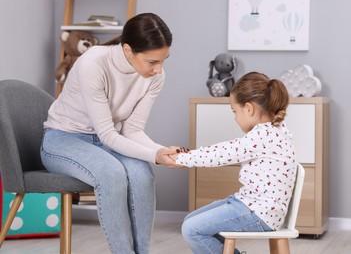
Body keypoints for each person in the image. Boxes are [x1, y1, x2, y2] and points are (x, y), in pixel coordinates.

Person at [40, 13, 181, 254]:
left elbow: (132, 130)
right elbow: (107, 134)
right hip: (63, 139)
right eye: (152, 62)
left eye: (164, 60)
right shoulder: (93, 63)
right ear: (128, 50)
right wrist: (154, 154)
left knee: (142, 174)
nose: (159, 69)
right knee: (111, 173)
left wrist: (158, 151)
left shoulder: (155, 77)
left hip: (106, 142)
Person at [172, 72, 297, 254]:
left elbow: (222, 153)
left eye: (234, 111)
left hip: (258, 212)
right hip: (250, 204)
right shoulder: (275, 131)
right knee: (191, 220)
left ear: (249, 109)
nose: (235, 118)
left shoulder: (263, 136)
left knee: (192, 229)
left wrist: (183, 158)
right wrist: (188, 155)